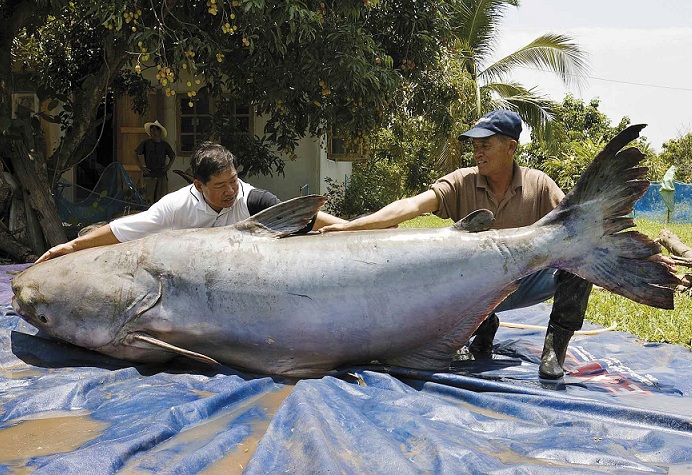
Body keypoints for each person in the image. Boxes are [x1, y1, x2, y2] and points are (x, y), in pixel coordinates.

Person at [320, 110, 593, 380]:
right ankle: (481, 325)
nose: (478, 153)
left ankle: (554, 350)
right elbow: (412, 205)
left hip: (524, 281)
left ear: (511, 147)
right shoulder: (463, 181)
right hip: (471, 290)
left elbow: (572, 224)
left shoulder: (539, 184)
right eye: (475, 146)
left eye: (485, 145)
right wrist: (350, 227)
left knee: (581, 258)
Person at [36, 141, 346, 264]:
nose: (231, 190)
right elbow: (122, 231)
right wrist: (72, 247)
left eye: (234, 180)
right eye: (220, 186)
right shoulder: (174, 207)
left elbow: (306, 218)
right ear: (198, 185)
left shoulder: (253, 200)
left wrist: (353, 228)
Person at [135, 120, 176, 204]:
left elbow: (172, 155)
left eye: (154, 130)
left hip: (161, 174)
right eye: (151, 130)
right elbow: (136, 153)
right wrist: (141, 167)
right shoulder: (146, 143)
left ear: (159, 131)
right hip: (150, 175)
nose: (152, 132)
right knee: (149, 199)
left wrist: (168, 166)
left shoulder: (164, 145)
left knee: (161, 199)